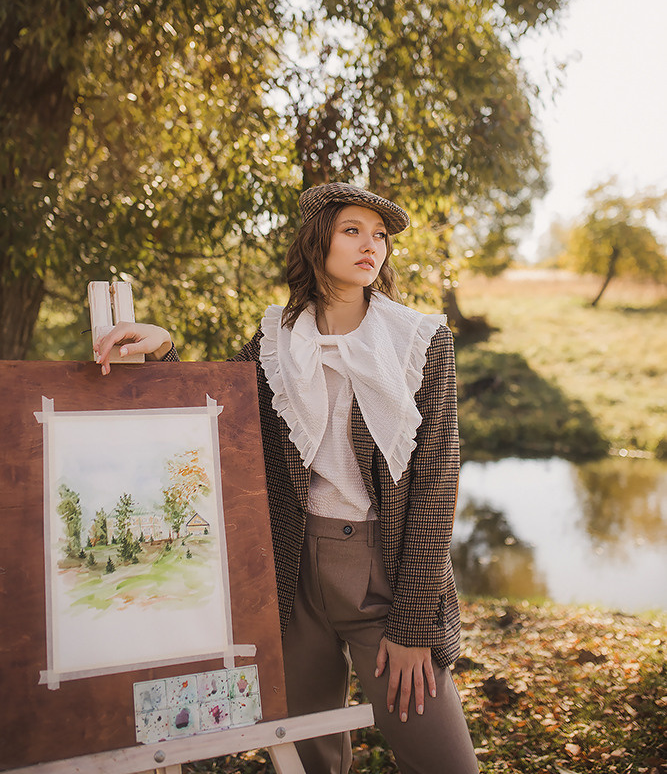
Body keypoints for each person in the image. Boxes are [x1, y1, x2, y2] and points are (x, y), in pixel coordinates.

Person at [95, 182, 479, 774]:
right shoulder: (278, 338)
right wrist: (165, 350)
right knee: (310, 759)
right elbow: (223, 420)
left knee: (444, 761)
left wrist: (413, 623)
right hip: (293, 574)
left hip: (384, 575)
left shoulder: (420, 342)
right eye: (353, 229)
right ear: (318, 238)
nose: (370, 245)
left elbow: (435, 488)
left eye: (379, 235)